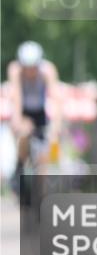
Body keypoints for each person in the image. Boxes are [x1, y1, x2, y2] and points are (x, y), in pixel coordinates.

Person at [7, 41, 62, 197]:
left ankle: (41, 194)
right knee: (23, 135)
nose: (31, 71)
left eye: (34, 67)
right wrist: (18, 123)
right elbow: (16, 98)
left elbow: (56, 98)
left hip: (40, 113)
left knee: (45, 154)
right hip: (23, 111)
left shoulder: (48, 70)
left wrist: (56, 127)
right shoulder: (15, 70)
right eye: (27, 68)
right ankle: (19, 166)